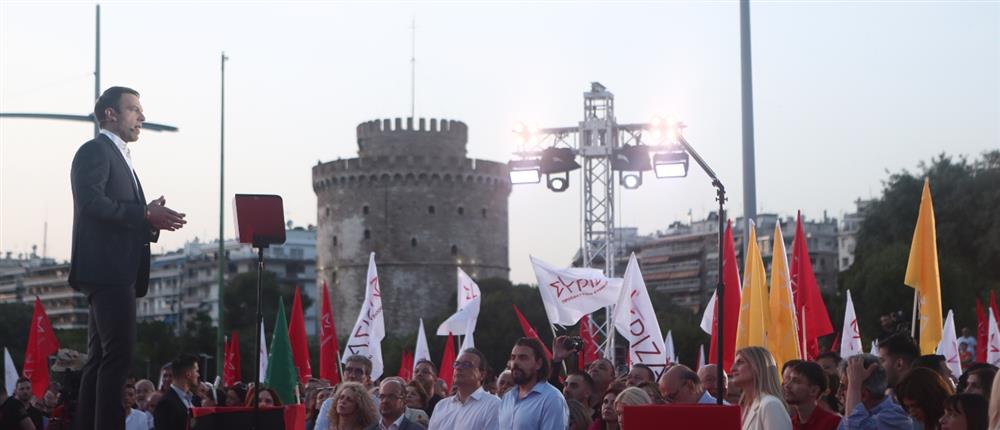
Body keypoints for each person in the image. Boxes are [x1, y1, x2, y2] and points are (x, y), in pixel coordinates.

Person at [71, 86, 186, 430]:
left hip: (115, 269)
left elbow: (122, 214)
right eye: (134, 109)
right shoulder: (95, 151)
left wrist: (150, 220)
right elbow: (91, 203)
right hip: (107, 269)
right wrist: (144, 214)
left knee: (101, 358)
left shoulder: (120, 157)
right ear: (110, 114)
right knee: (117, 357)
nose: (142, 118)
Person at [498, 337, 569, 430]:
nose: (515, 362)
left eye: (523, 358)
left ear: (538, 364)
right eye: (513, 357)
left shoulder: (552, 399)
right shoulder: (507, 398)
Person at [428, 348, 500, 430]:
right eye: (457, 364)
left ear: (482, 375)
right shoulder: (441, 406)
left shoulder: (493, 405)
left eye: (467, 365)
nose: (459, 368)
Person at [838, 354, 912, 430]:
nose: (838, 394)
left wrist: (855, 384)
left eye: (845, 387)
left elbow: (853, 427)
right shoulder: (851, 416)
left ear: (864, 395)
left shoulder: (895, 417)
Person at [731, 346, 792, 430]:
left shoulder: (770, 405)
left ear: (758, 366)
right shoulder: (746, 407)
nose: (732, 369)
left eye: (740, 362)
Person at [783, 361, 841, 430]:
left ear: (814, 391)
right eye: (789, 380)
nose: (787, 385)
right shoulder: (789, 424)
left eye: (796, 381)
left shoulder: (833, 423)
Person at [154, 354, 198, 430]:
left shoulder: (192, 400)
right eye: (196, 371)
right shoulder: (166, 404)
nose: (198, 375)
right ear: (188, 374)